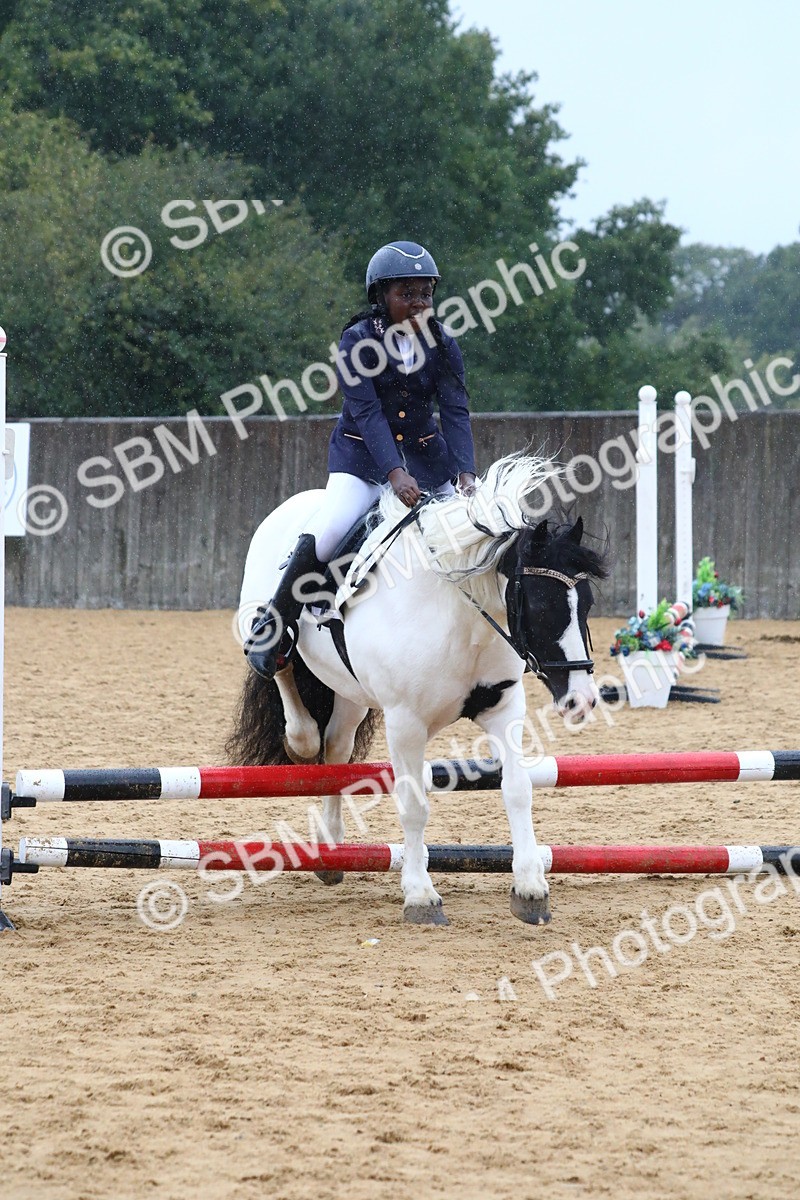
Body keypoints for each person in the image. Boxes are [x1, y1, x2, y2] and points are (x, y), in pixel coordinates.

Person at [245, 239, 478, 679]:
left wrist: (465, 471)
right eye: (405, 294)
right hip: (363, 459)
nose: (417, 304)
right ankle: (273, 627)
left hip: (428, 459)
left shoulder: (443, 342)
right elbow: (368, 413)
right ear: (381, 296)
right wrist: (394, 473)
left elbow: (454, 409)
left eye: (424, 293)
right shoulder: (357, 341)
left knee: (468, 532)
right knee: (329, 530)